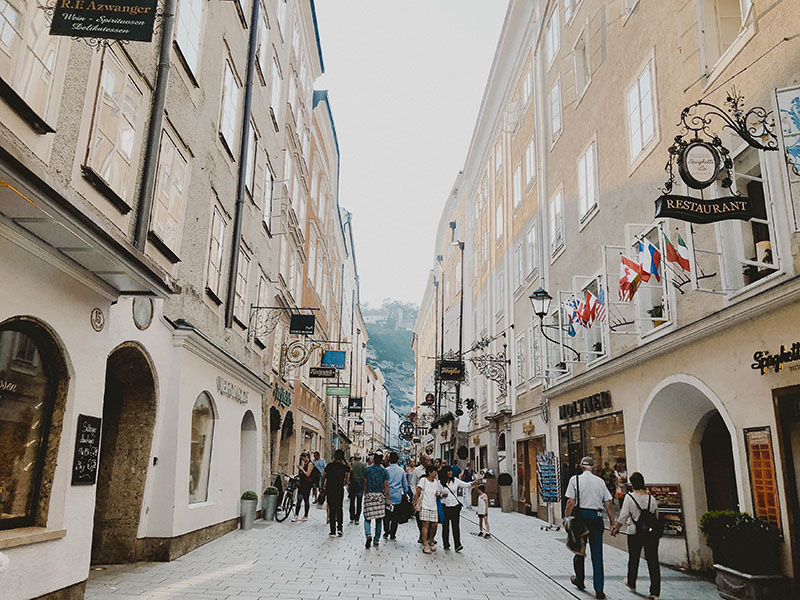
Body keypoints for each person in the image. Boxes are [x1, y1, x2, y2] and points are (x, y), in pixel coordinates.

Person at [564, 456, 618, 600]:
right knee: (597, 553)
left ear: (581, 466)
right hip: (597, 517)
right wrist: (612, 523)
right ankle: (599, 589)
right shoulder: (600, 482)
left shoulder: (575, 480)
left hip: (581, 517)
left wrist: (566, 518)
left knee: (579, 549)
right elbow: (608, 504)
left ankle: (579, 579)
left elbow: (571, 502)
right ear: (593, 467)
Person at [613, 472, 661, 600]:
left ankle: (631, 582)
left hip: (635, 532)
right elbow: (656, 516)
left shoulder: (629, 498)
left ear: (632, 485)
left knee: (634, 558)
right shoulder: (651, 498)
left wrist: (616, 528)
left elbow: (623, 515)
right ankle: (655, 592)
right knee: (653, 561)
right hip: (650, 533)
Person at [439, 466, 477, 552]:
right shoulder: (440, 483)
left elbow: (466, 485)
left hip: (455, 506)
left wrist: (474, 482)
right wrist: (442, 495)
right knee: (445, 526)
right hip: (445, 506)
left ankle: (457, 544)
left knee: (456, 526)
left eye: (451, 471)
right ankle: (446, 543)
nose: (450, 473)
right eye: (448, 471)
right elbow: (437, 493)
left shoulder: (455, 480)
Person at [363, 452, 390, 549]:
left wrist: (365, 493)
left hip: (369, 495)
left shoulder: (367, 470)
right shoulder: (384, 471)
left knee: (367, 518)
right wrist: (387, 499)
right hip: (379, 496)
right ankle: (376, 540)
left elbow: (365, 482)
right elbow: (386, 486)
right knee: (379, 519)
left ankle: (368, 535)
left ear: (374, 460)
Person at [414, 465, 443, 554]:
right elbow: (417, 492)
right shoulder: (423, 480)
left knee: (434, 525)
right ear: (429, 473)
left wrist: (438, 494)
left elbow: (437, 492)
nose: (435, 474)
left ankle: (431, 540)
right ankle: (425, 545)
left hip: (433, 506)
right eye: (434, 472)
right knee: (425, 525)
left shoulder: (436, 482)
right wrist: (414, 503)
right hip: (424, 505)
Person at [321, 449, 350, 537]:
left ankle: (332, 531)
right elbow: (350, 469)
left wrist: (321, 487)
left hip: (330, 489)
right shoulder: (343, 467)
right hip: (339, 490)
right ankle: (340, 528)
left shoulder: (329, 466)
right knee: (339, 508)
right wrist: (345, 460)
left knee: (332, 509)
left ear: (335, 456)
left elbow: (323, 477)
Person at [382, 451, 410, 540]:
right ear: (397, 460)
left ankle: (386, 531)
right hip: (397, 497)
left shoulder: (386, 470)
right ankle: (393, 534)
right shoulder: (401, 471)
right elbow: (405, 484)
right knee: (395, 516)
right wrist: (406, 493)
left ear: (389, 460)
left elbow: (383, 484)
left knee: (386, 515)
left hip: (387, 496)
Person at [411, 454, 431, 543]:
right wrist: (415, 494)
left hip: (430, 496)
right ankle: (422, 534)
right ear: (422, 461)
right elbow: (413, 483)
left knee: (429, 517)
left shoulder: (432, 469)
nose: (429, 462)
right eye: (427, 460)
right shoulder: (417, 470)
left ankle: (428, 536)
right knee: (419, 517)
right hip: (420, 497)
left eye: (429, 460)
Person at [292, 452, 315, 522]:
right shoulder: (306, 463)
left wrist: (301, 469)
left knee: (306, 499)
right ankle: (296, 515)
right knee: (299, 499)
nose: (303, 460)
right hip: (302, 483)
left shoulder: (310, 464)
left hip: (307, 484)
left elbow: (308, 474)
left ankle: (305, 515)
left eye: (303, 458)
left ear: (306, 457)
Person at [349, 453, 366, 524]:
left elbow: (349, 474)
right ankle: (357, 518)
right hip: (360, 484)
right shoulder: (364, 465)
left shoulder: (352, 464)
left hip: (353, 483)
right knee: (359, 502)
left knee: (352, 501)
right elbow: (365, 476)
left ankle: (352, 517)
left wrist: (347, 483)